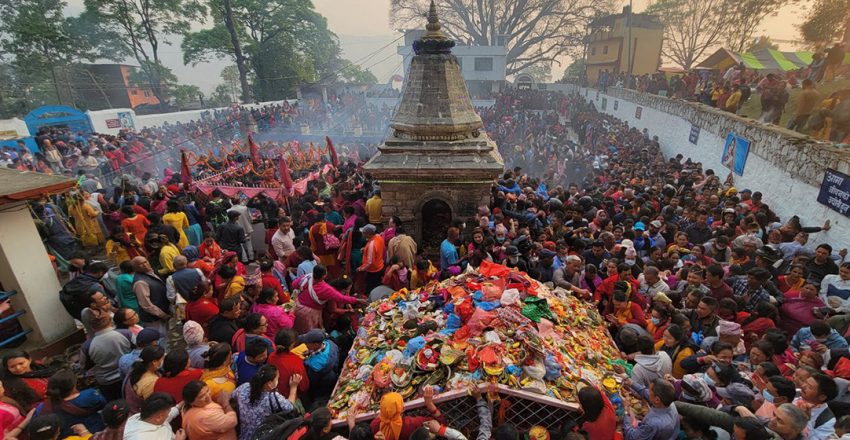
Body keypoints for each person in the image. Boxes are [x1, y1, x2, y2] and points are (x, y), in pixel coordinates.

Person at [232, 364, 299, 440]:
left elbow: (232, 397)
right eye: (277, 378)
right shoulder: (273, 397)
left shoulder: (244, 387)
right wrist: (294, 387)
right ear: (269, 384)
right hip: (261, 435)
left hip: (242, 435)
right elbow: (290, 408)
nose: (278, 380)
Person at [293, 264, 366, 334]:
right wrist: (357, 301)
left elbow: (294, 284)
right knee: (309, 331)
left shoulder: (307, 277)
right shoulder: (326, 289)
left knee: (300, 329)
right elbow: (340, 300)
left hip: (297, 306)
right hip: (309, 313)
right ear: (324, 275)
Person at [80, 312, 131, 401]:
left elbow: (84, 366)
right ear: (110, 322)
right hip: (127, 374)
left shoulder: (87, 345)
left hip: (106, 381)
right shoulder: (125, 334)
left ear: (92, 327)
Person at [43, 369, 106, 438]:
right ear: (73, 386)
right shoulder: (90, 395)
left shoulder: (47, 406)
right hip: (97, 432)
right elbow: (103, 404)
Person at [370, 387, 445, 440]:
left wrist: (386, 412)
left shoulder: (374, 425)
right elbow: (440, 424)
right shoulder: (412, 424)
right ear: (402, 409)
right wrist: (429, 403)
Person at [131, 256, 170, 348]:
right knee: (158, 339)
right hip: (153, 318)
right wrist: (162, 314)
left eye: (146, 262)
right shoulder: (140, 282)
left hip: (162, 313)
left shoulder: (151, 273)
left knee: (165, 336)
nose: (145, 264)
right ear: (136, 268)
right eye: (141, 264)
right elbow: (146, 304)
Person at [267, 329, 310, 401]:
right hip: (290, 398)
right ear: (292, 344)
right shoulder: (295, 361)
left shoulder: (271, 356)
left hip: (275, 397)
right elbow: (304, 386)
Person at [358, 224, 385, 295]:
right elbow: (377, 250)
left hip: (373, 270)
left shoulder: (371, 245)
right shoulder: (379, 237)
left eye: (363, 232)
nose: (362, 234)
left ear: (368, 234)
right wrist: (365, 249)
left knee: (371, 288)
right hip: (380, 265)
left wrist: (361, 268)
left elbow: (370, 262)